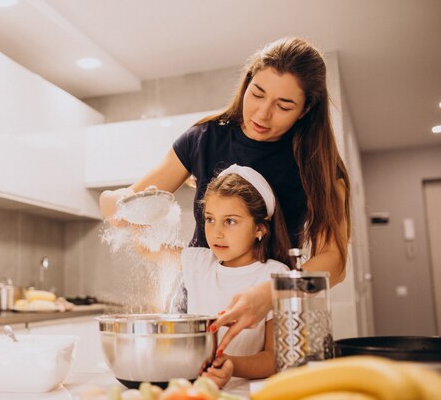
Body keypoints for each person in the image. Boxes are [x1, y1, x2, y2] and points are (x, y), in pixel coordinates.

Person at [99, 37, 351, 353]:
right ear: (246, 83)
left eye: (284, 105)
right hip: (195, 305)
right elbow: (127, 206)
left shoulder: (318, 166)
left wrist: (273, 293)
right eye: (257, 93)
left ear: (306, 109)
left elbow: (335, 262)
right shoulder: (202, 139)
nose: (262, 113)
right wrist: (114, 202)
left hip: (274, 311)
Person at [128, 165, 292, 386]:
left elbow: (275, 359)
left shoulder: (275, 276)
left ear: (260, 228)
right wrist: (139, 206)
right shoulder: (198, 262)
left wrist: (230, 365)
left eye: (230, 221)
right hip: (198, 390)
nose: (216, 232)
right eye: (210, 219)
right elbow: (146, 247)